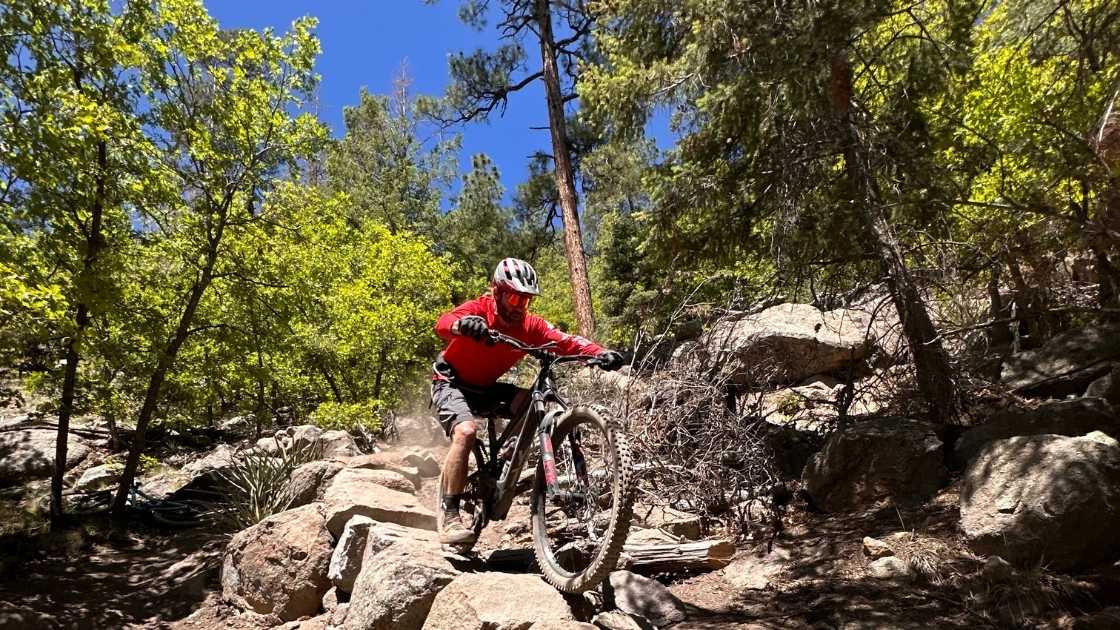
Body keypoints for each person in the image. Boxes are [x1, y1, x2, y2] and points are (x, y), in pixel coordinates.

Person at [431, 257, 624, 545]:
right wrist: (463, 326)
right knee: (466, 432)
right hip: (451, 383)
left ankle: (510, 453)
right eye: (513, 297)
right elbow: (443, 323)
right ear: (497, 292)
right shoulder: (479, 310)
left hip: (487, 388)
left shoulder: (531, 326)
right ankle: (449, 514)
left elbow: (567, 341)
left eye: (526, 300)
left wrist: (600, 352)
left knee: (532, 402)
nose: (519, 306)